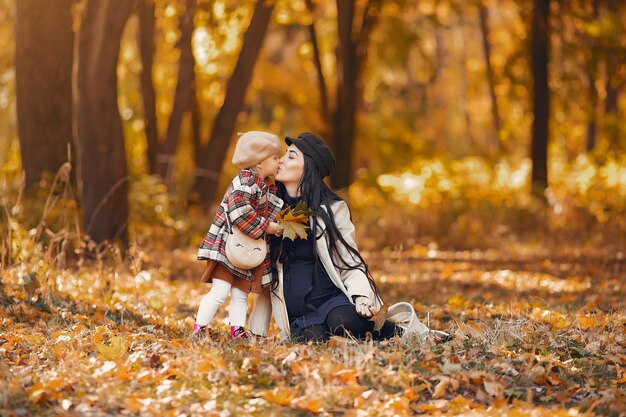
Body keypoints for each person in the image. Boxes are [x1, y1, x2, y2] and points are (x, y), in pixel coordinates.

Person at [248, 132, 440, 342]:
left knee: (344, 321)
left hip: (331, 301)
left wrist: (362, 297)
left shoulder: (332, 210)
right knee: (313, 341)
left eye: (291, 156)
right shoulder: (267, 208)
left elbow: (349, 261)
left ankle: (408, 334)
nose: (281, 160)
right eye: (284, 154)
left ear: (308, 168)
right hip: (300, 317)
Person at [194, 131, 284, 339]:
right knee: (220, 290)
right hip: (228, 246)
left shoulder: (266, 186)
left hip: (245, 250)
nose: (279, 162)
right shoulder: (245, 181)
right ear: (259, 162)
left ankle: (237, 329)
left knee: (241, 293)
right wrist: (267, 227)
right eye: (275, 158)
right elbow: (239, 210)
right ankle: (199, 326)